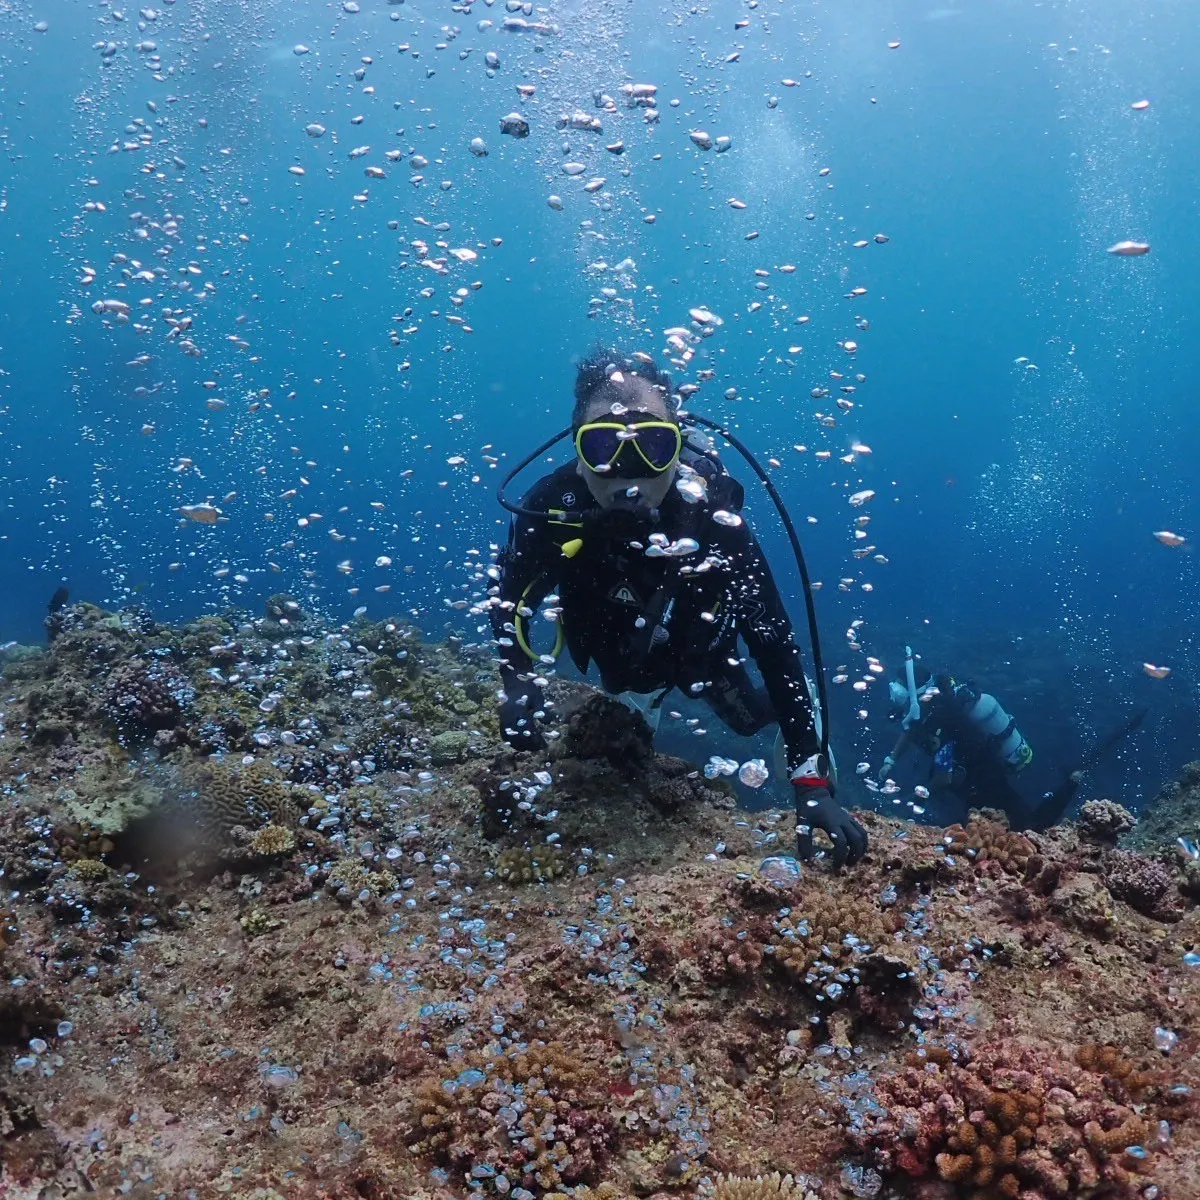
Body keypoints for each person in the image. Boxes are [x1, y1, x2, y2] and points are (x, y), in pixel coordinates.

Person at [489, 347, 867, 867]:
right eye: (603, 444)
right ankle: (645, 701)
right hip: (614, 656)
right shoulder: (549, 510)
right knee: (620, 698)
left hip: (698, 656)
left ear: (679, 445)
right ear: (578, 453)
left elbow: (775, 645)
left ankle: (803, 728)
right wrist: (517, 682)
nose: (629, 472)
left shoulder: (712, 521)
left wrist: (811, 784)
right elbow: (509, 599)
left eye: (653, 445)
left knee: (750, 718)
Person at [878, 648, 1079, 831]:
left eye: (898, 690)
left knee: (1028, 825)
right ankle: (1068, 784)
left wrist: (916, 799)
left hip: (984, 778)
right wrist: (891, 760)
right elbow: (910, 729)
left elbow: (943, 778)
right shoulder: (928, 712)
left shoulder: (944, 719)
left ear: (913, 693)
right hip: (975, 773)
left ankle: (1071, 784)